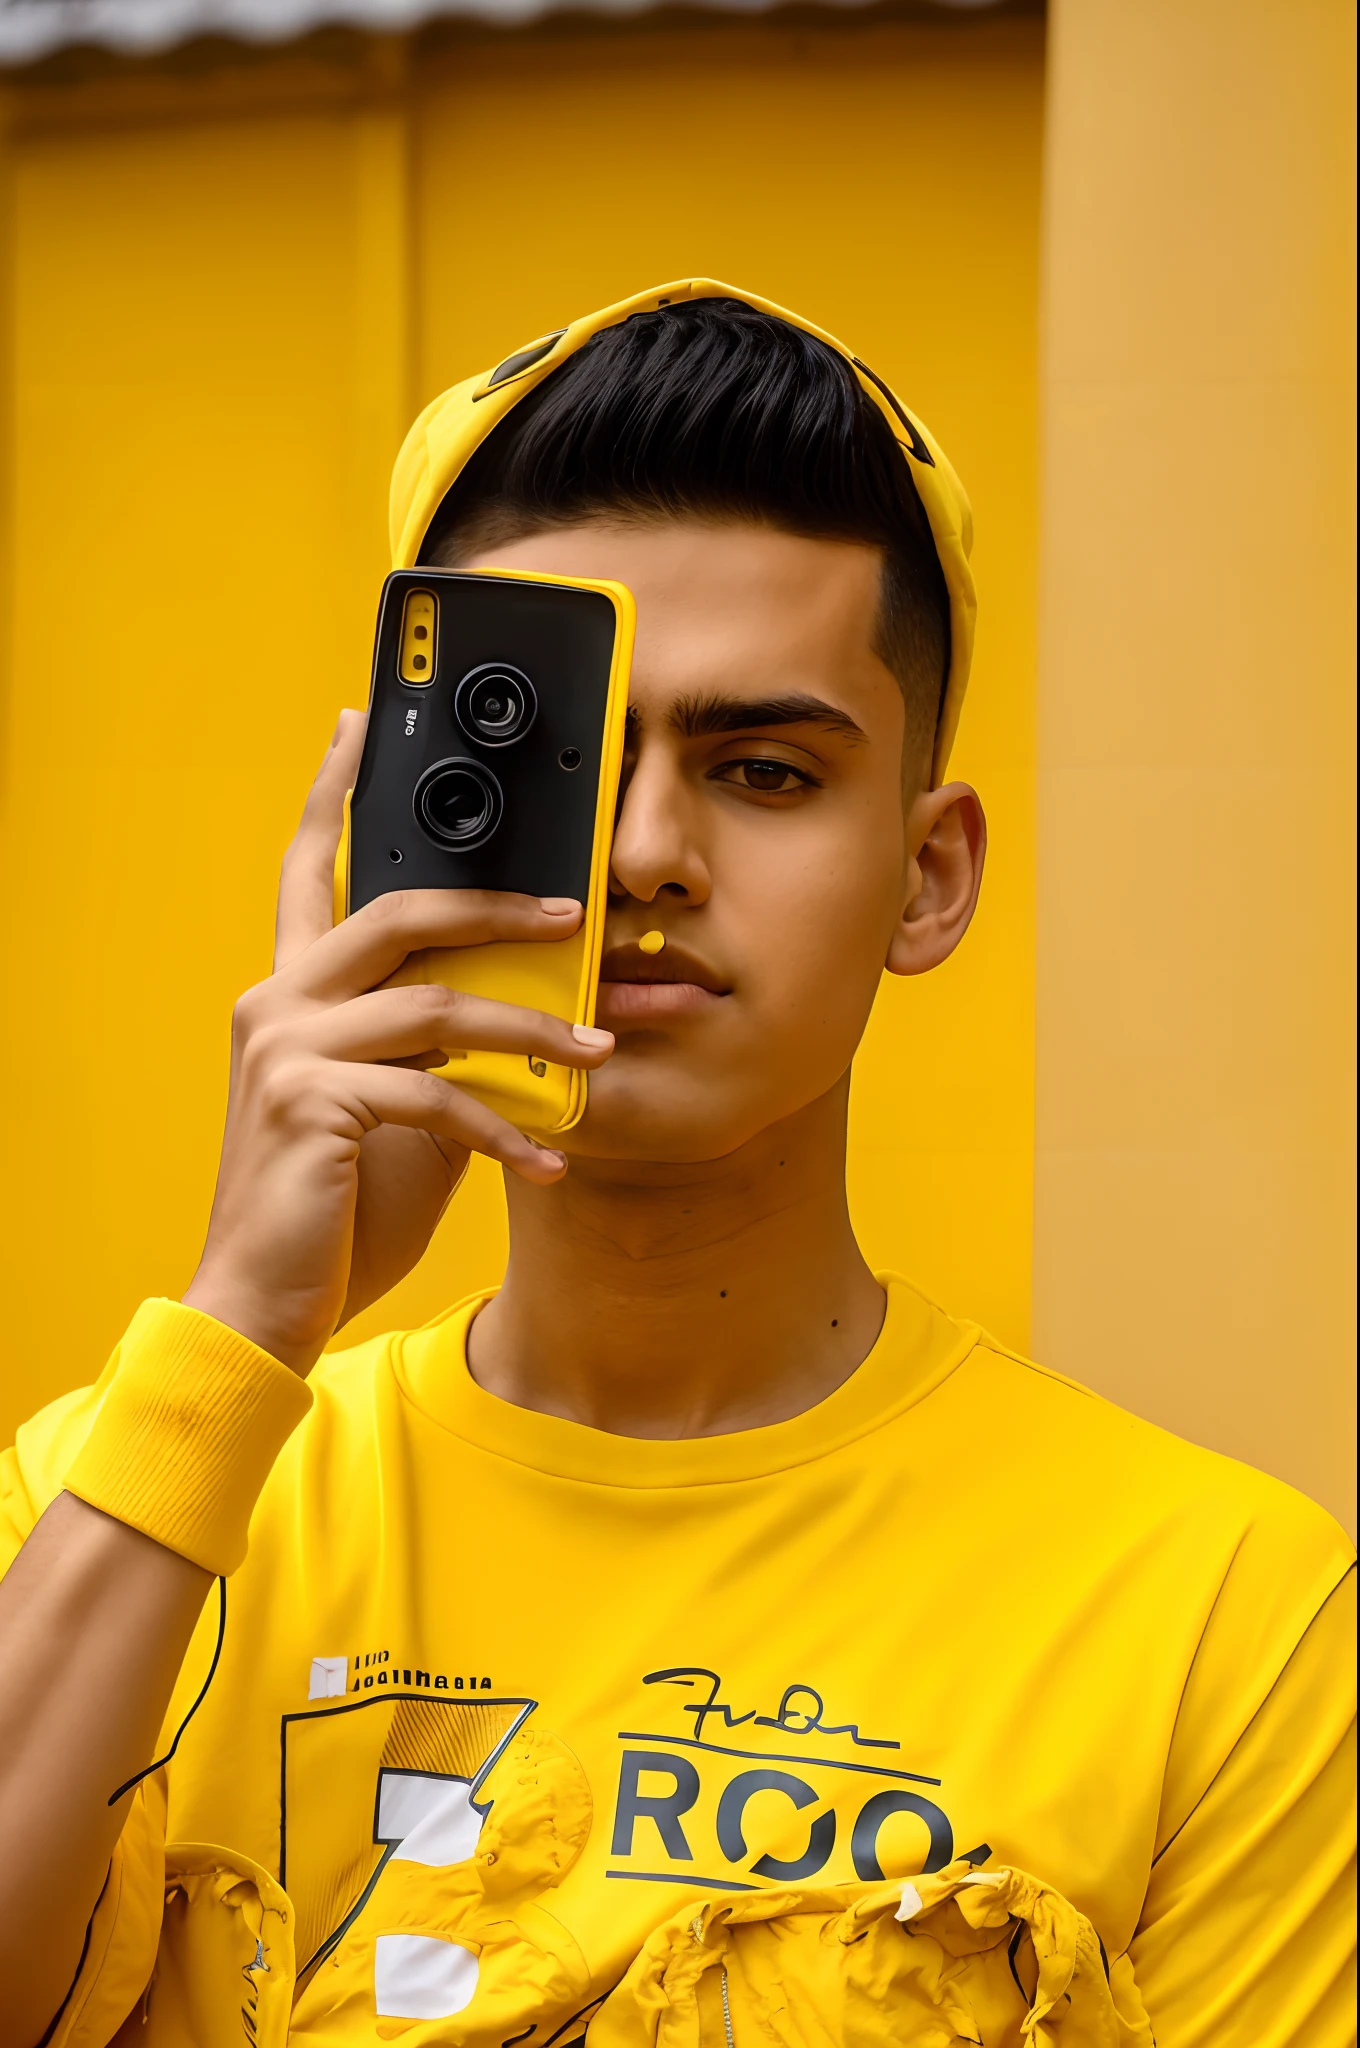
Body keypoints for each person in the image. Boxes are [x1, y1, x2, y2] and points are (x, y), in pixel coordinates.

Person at [0, 285, 1352, 2048]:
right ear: (382, 840)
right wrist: (249, 1316)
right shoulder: (124, 1506)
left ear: (929, 876)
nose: (645, 852)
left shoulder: (1221, 1621)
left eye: (766, 768)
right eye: (558, 764)